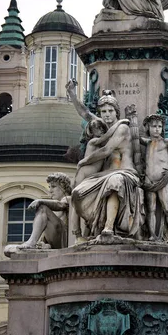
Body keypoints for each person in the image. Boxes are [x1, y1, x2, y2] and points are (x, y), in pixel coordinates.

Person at [65, 80, 143, 241]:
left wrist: (83, 162)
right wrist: (72, 93)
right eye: (103, 111)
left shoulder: (122, 128)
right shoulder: (102, 127)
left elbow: (106, 150)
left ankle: (108, 228)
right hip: (103, 174)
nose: (106, 114)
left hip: (125, 172)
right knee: (77, 192)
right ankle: (80, 234)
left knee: (114, 182)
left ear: (116, 112)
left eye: (110, 111)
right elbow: (85, 113)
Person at [141, 114, 168, 245]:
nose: (156, 129)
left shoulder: (166, 142)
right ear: (148, 127)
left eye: (159, 126)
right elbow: (134, 138)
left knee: (167, 208)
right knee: (151, 209)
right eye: (154, 126)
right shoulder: (147, 142)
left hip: (163, 181)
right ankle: (152, 235)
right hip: (149, 181)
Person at [4, 173, 72, 256]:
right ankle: (34, 243)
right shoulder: (51, 211)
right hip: (55, 241)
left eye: (53, 187)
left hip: (64, 240)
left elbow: (60, 205)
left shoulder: (68, 198)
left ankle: (31, 242)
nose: (50, 191)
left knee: (42, 208)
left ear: (63, 188)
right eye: (49, 187)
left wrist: (41, 201)